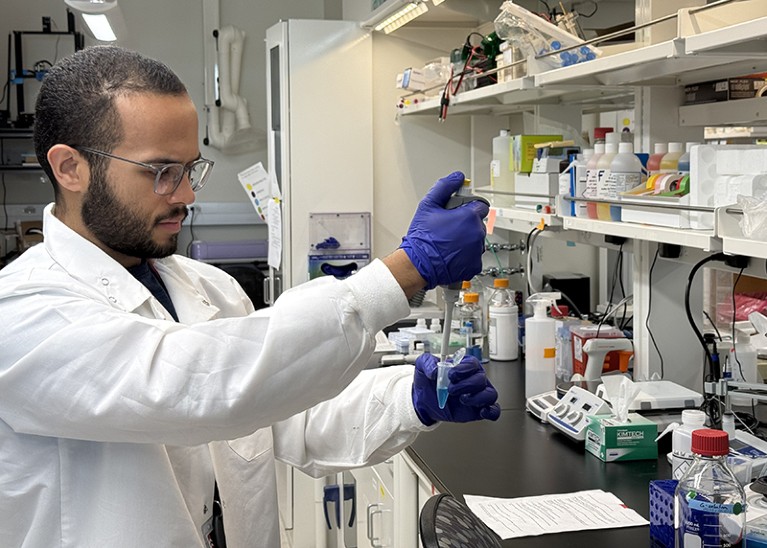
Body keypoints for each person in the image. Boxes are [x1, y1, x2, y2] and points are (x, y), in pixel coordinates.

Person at [0, 45, 499, 547]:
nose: (186, 195)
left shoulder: (207, 288)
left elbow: (285, 413)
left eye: (190, 169)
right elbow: (196, 389)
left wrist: (408, 402)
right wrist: (403, 272)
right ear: (70, 169)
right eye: (160, 172)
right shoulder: (21, 312)